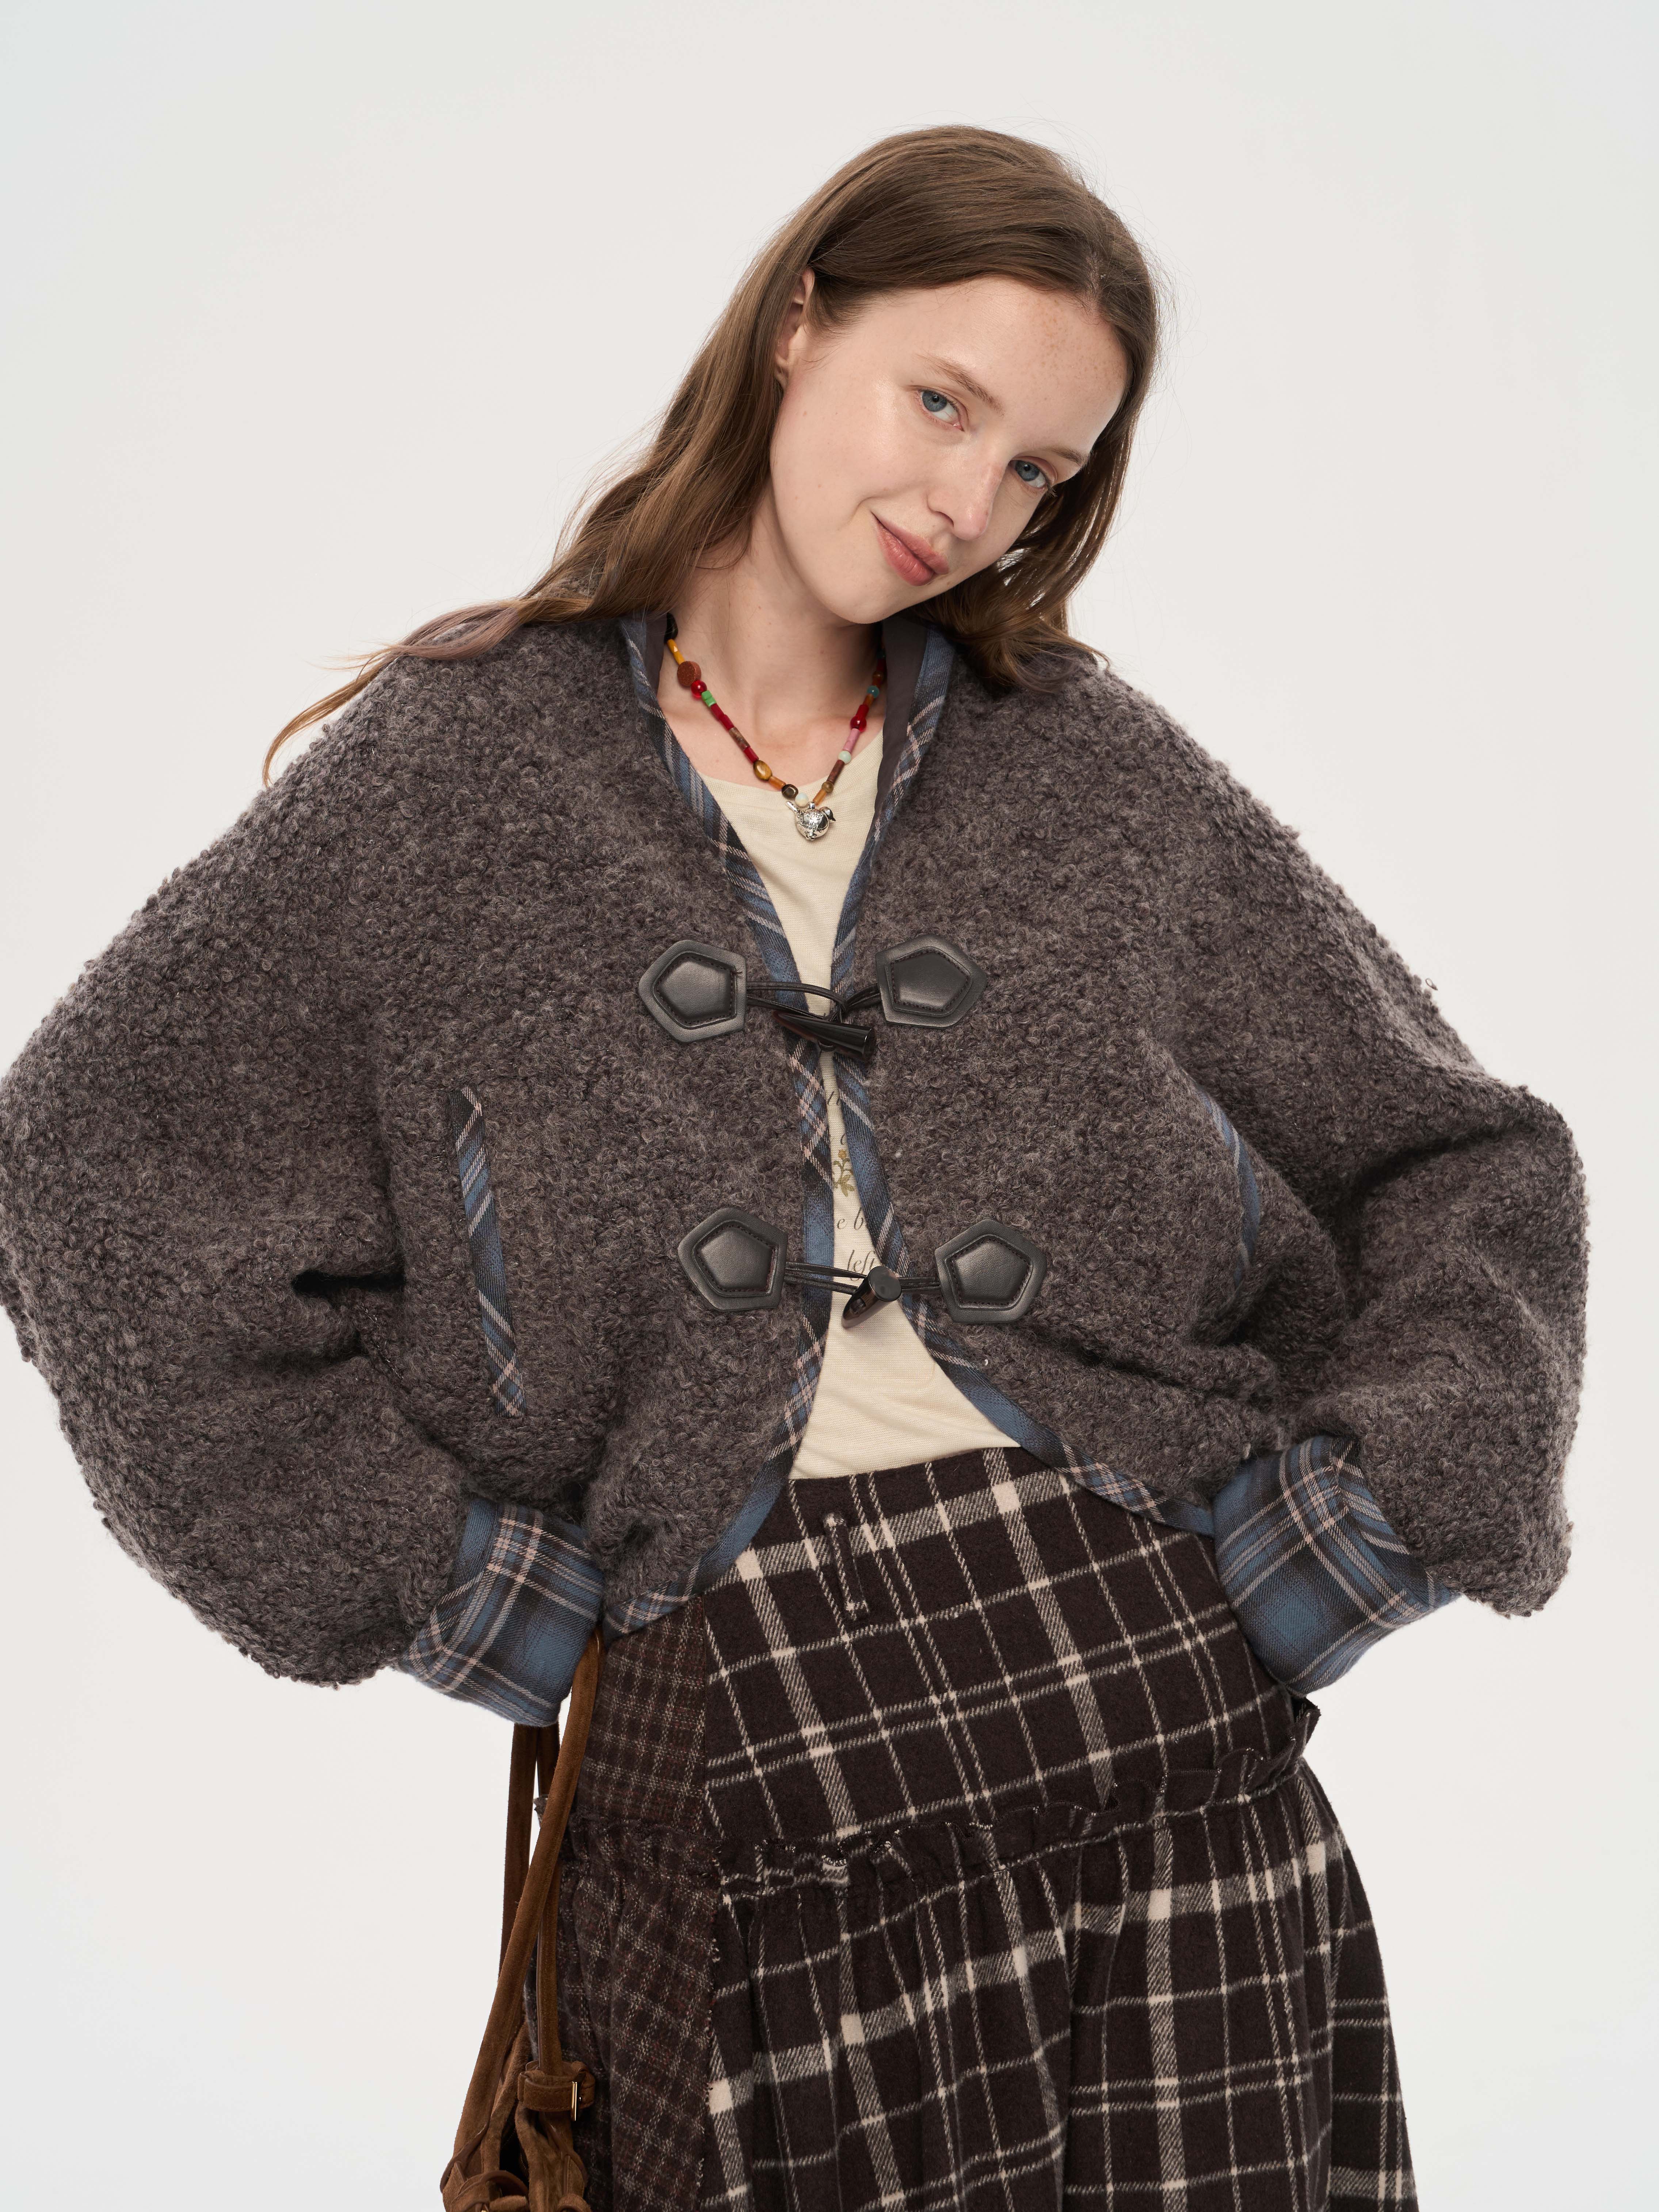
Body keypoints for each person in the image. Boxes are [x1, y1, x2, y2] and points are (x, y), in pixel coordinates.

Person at [0, 126, 1587, 2210]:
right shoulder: (453, 776)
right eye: (941, 401)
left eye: (1040, 468)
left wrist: (1348, 1540)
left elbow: (1465, 1159)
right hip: (734, 1750)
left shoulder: (1085, 767)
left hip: (1166, 1720)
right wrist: (455, 1589)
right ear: (798, 321)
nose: (968, 502)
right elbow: (91, 1168)